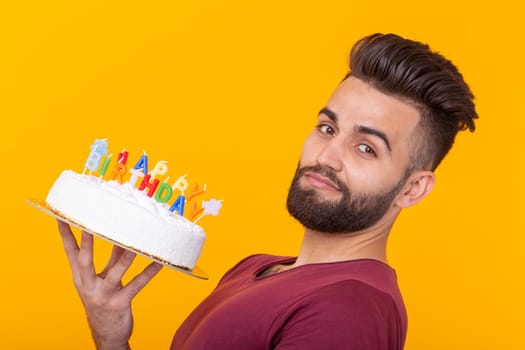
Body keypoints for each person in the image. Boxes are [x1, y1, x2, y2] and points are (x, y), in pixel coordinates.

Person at [56, 33, 478, 350]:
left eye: (366, 148)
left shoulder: (347, 309)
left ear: (413, 188)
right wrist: (110, 334)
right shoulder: (257, 269)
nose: (327, 155)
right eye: (327, 128)